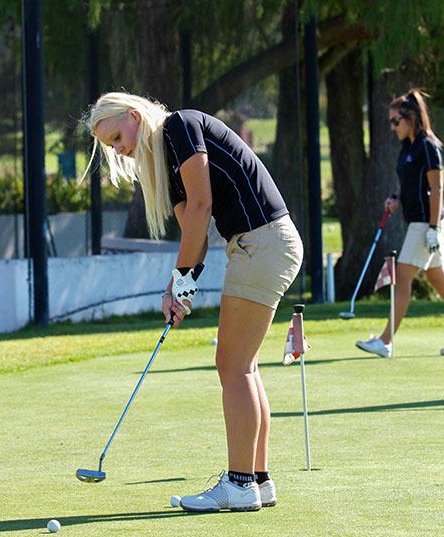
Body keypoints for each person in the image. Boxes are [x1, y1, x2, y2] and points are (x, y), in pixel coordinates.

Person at [84, 92, 303, 512]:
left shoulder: (179, 127)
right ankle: (257, 480)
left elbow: (202, 207)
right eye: (110, 146)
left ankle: (239, 484)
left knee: (232, 366)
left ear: (133, 116)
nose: (118, 150)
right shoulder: (166, 160)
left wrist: (183, 281)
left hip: (263, 243)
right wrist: (178, 288)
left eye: (116, 137)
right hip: (260, 245)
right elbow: (193, 229)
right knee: (244, 367)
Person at [355, 89, 444, 358]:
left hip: (426, 223)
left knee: (402, 279)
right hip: (420, 222)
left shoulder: (428, 146)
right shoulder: (408, 147)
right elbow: (410, 184)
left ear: (410, 117)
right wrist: (396, 198)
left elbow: (436, 188)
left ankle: (385, 341)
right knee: (439, 280)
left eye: (395, 121)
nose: (392, 127)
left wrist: (434, 229)